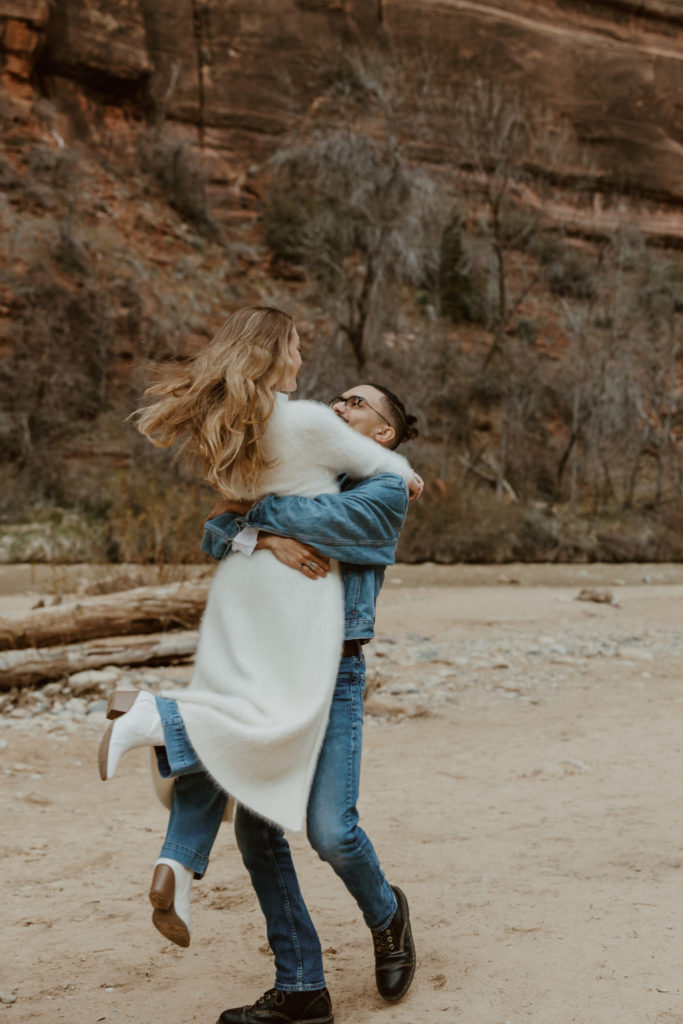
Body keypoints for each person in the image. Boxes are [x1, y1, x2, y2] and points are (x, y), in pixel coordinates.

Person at [97, 310, 420, 1015]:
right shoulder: (294, 464)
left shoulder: (384, 490)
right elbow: (215, 528)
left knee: (333, 831)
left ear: (382, 435)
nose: (337, 406)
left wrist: (256, 517)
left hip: (331, 674)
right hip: (270, 665)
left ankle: (386, 914)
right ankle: (302, 988)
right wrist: (258, 537)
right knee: (254, 823)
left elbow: (320, 525)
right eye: (336, 400)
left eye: (355, 404)